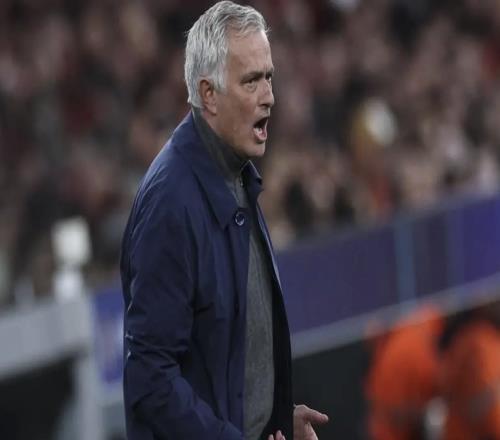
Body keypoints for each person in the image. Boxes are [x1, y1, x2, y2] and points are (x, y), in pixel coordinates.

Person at [120, 2, 328, 439]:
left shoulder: (235, 173)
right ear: (209, 94)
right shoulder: (171, 202)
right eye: (251, 81)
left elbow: (226, 354)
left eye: (269, 77)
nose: (269, 96)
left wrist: (273, 417)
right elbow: (150, 380)